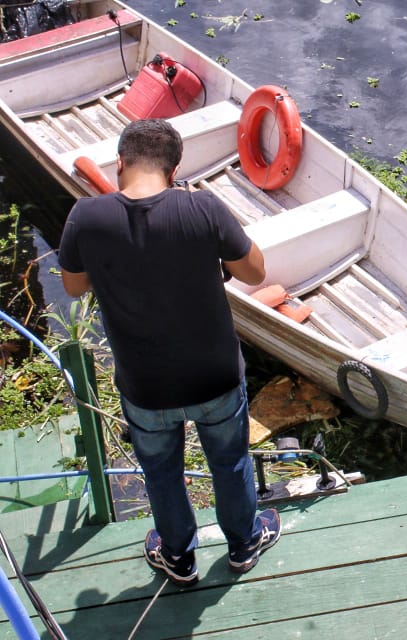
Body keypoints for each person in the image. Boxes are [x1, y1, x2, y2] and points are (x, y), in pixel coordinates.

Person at [58, 118, 280, 587]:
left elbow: (74, 287)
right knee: (231, 461)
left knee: (161, 471)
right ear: (175, 168)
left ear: (119, 162)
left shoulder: (86, 216)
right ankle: (244, 543)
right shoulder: (203, 208)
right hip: (215, 376)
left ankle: (178, 556)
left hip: (145, 385)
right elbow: (256, 272)